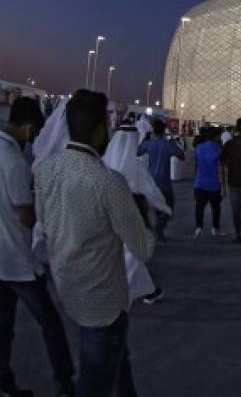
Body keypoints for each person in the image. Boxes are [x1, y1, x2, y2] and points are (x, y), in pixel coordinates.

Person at [34, 90, 155, 397]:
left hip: (65, 286)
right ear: (100, 129)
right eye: (109, 122)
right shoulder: (108, 183)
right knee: (96, 378)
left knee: (116, 362)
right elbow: (143, 248)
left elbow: (44, 222)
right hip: (102, 303)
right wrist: (142, 216)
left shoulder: (45, 169)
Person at [0, 97, 75, 397]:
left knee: (1, 325)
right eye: (34, 132)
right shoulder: (14, 162)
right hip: (18, 264)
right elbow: (26, 216)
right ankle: (66, 383)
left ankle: (4, 382)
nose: (33, 140)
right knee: (51, 324)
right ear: (28, 127)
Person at [103, 122, 170, 305]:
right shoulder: (135, 167)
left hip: (107, 214)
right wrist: (164, 207)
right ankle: (120, 296)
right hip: (132, 214)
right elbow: (151, 191)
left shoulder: (105, 162)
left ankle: (150, 291)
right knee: (131, 256)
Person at [136, 119, 185, 241]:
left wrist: (144, 140)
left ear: (153, 131)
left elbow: (137, 152)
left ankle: (154, 231)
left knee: (153, 208)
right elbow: (182, 156)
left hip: (151, 181)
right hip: (165, 183)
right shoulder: (167, 144)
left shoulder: (149, 144)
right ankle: (159, 229)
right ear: (164, 131)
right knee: (169, 207)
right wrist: (174, 143)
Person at [193, 128, 226, 236]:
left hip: (199, 183)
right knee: (216, 207)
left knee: (199, 207)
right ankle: (215, 229)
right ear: (215, 136)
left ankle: (199, 228)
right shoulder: (218, 149)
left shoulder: (198, 148)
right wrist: (224, 187)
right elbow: (221, 169)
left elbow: (196, 165)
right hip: (213, 184)